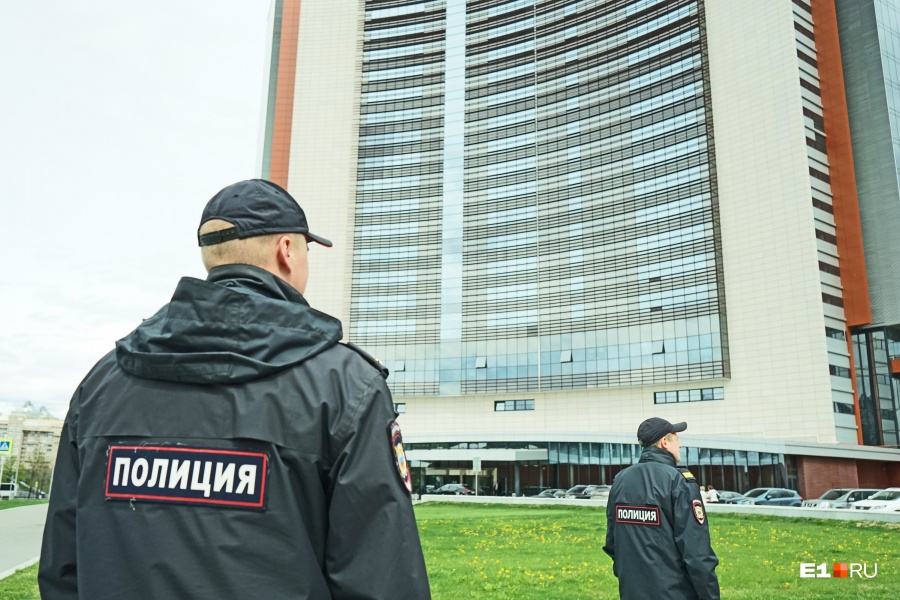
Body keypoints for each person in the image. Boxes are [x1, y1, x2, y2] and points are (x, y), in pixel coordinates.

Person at [39, 179, 432, 600]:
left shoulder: (102, 384)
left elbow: (64, 569)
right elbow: (382, 578)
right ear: (286, 251)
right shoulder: (344, 385)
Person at [603, 417, 719, 600]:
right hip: (675, 592)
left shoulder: (621, 480)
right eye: (677, 439)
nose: (680, 445)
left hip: (631, 592)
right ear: (665, 442)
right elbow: (696, 553)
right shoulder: (679, 481)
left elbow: (613, 543)